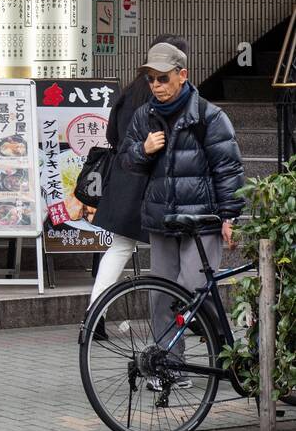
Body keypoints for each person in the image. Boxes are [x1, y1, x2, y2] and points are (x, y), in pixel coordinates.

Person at [118, 41, 245, 391]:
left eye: (162, 78)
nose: (156, 86)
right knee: (161, 295)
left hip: (203, 222)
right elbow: (125, 160)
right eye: (151, 80)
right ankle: (171, 367)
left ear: (182, 75)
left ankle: (228, 352)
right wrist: (142, 150)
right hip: (162, 221)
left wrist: (229, 215)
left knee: (193, 290)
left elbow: (229, 168)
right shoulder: (145, 116)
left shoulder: (208, 116)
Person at [86, 35, 190, 340]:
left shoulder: (131, 91)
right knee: (179, 252)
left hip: (123, 178)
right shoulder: (165, 98)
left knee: (118, 249)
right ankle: (189, 316)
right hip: (151, 183)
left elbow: (112, 133)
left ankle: (94, 317)